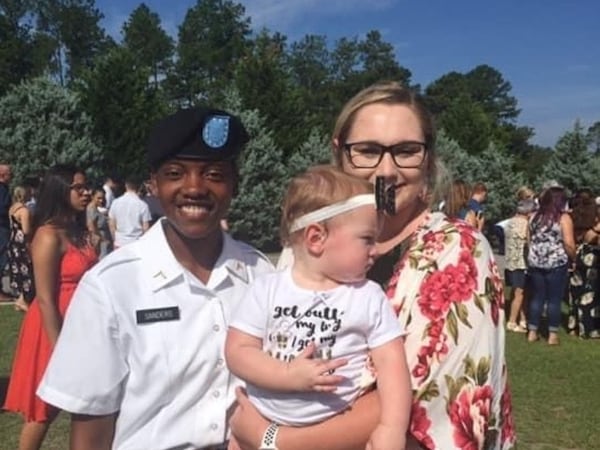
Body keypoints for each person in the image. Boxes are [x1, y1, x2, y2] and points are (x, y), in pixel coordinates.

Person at [229, 81, 515, 450]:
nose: (387, 170)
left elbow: (424, 402)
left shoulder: (455, 250)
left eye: (406, 151)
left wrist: (269, 438)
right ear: (340, 153)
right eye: (367, 151)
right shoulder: (307, 247)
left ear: (427, 157)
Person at [37, 107, 274, 450]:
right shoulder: (111, 286)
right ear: (154, 184)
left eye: (214, 174)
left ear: (234, 184)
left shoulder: (262, 275)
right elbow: (92, 425)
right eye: (176, 173)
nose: (194, 188)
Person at [226, 165, 410, 449]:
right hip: (255, 424)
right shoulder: (267, 289)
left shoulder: (368, 297)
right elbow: (237, 352)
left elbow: (393, 366)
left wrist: (392, 428)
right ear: (316, 238)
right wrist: (287, 375)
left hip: (331, 434)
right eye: (367, 239)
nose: (377, 249)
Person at [3, 164, 97, 450]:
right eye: (78, 188)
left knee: (90, 402)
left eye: (86, 186)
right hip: (52, 326)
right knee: (43, 409)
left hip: (81, 322)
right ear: (60, 190)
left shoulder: (75, 229)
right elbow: (44, 297)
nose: (86, 192)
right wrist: (59, 347)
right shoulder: (47, 235)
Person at [526, 186, 576, 345]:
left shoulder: (533, 217)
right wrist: (574, 258)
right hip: (556, 262)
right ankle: (552, 335)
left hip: (536, 261)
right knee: (554, 299)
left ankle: (532, 332)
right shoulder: (563, 218)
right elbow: (569, 243)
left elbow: (529, 240)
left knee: (537, 296)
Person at [568, 189, 600, 338]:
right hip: (591, 256)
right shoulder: (593, 218)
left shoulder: (573, 215)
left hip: (578, 254)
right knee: (590, 293)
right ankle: (587, 328)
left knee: (576, 291)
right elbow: (590, 237)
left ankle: (573, 325)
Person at [504, 198, 536, 333]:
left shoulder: (509, 222)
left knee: (520, 291)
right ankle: (512, 321)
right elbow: (530, 243)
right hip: (521, 263)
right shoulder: (525, 225)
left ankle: (523, 319)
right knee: (520, 293)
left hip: (510, 261)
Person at [7, 185, 35, 312]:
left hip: (13, 242)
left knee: (18, 270)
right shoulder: (24, 211)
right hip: (22, 243)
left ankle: (20, 298)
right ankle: (23, 299)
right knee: (27, 271)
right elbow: (26, 230)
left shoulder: (12, 209)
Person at [107, 176, 151, 248]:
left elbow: (111, 224)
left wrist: (115, 239)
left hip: (120, 242)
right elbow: (146, 228)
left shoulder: (115, 202)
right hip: (137, 242)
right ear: (139, 187)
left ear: (126, 186)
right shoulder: (143, 205)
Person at [0, 163, 14, 302]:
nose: (12, 176)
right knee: (1, 257)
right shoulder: (2, 190)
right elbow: (2, 208)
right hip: (1, 227)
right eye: (10, 174)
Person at [87, 187, 112, 258]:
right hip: (101, 243)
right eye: (98, 198)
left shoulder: (96, 209)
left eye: (102, 198)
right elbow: (91, 227)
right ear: (92, 197)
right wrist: (103, 239)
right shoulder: (91, 209)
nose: (101, 200)